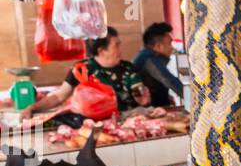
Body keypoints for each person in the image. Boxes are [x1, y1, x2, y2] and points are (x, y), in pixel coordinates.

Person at [21, 26, 149, 118]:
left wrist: (144, 98)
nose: (120, 51)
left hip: (131, 123)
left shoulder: (128, 68)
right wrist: (32, 108)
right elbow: (59, 96)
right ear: (101, 50)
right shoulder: (81, 69)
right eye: (116, 46)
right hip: (96, 126)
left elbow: (140, 94)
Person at [133, 21, 183, 107]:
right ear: (158, 46)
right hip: (151, 112)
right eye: (170, 44)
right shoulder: (149, 59)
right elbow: (169, 80)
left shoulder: (146, 55)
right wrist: (195, 98)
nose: (172, 48)